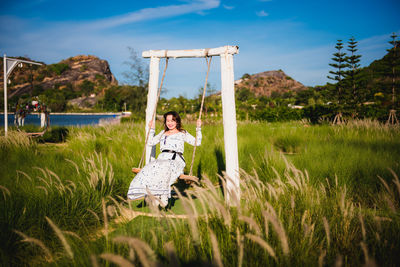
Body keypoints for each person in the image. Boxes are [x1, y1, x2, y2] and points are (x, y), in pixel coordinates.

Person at [127, 111, 202, 208]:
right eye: (167, 121)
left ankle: (163, 196)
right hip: (162, 159)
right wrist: (152, 130)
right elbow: (150, 142)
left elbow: (197, 142)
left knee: (165, 167)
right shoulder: (163, 133)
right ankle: (158, 195)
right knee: (151, 168)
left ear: (177, 122)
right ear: (165, 122)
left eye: (172, 121)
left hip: (175, 159)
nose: (170, 123)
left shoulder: (182, 133)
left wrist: (198, 128)